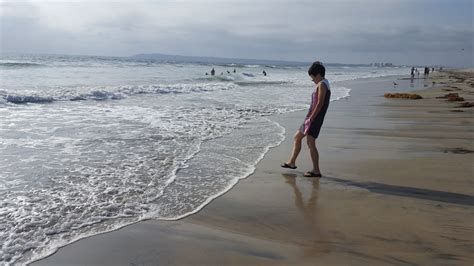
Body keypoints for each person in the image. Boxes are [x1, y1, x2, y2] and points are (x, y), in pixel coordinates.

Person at [281, 61, 331, 177]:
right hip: (311, 118)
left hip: (314, 119)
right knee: (298, 138)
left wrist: (311, 118)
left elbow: (320, 103)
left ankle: (316, 170)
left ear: (318, 74)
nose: (312, 80)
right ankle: (292, 162)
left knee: (310, 143)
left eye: (312, 77)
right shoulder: (324, 83)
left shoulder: (322, 85)